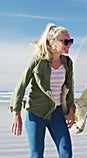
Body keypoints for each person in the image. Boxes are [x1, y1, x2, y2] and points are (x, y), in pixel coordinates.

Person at [10, 23, 76, 158]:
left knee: (66, 153)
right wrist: (16, 114)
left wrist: (71, 109)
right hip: (36, 112)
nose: (69, 44)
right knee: (37, 154)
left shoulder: (67, 63)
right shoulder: (37, 60)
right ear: (52, 42)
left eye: (71, 41)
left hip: (56, 112)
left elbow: (69, 88)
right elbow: (21, 86)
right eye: (65, 41)